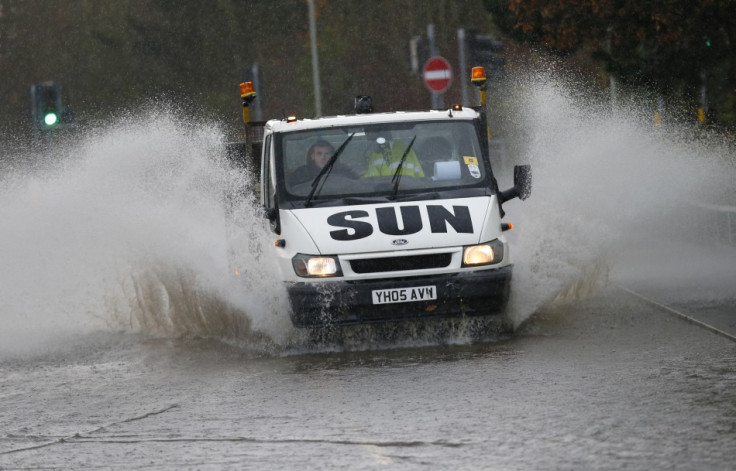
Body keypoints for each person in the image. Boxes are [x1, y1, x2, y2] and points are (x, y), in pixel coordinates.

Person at [290, 139, 358, 186]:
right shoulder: (301, 174)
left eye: (327, 153)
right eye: (319, 154)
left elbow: (357, 186)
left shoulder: (344, 171)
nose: (323, 157)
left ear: (332, 156)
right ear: (312, 156)